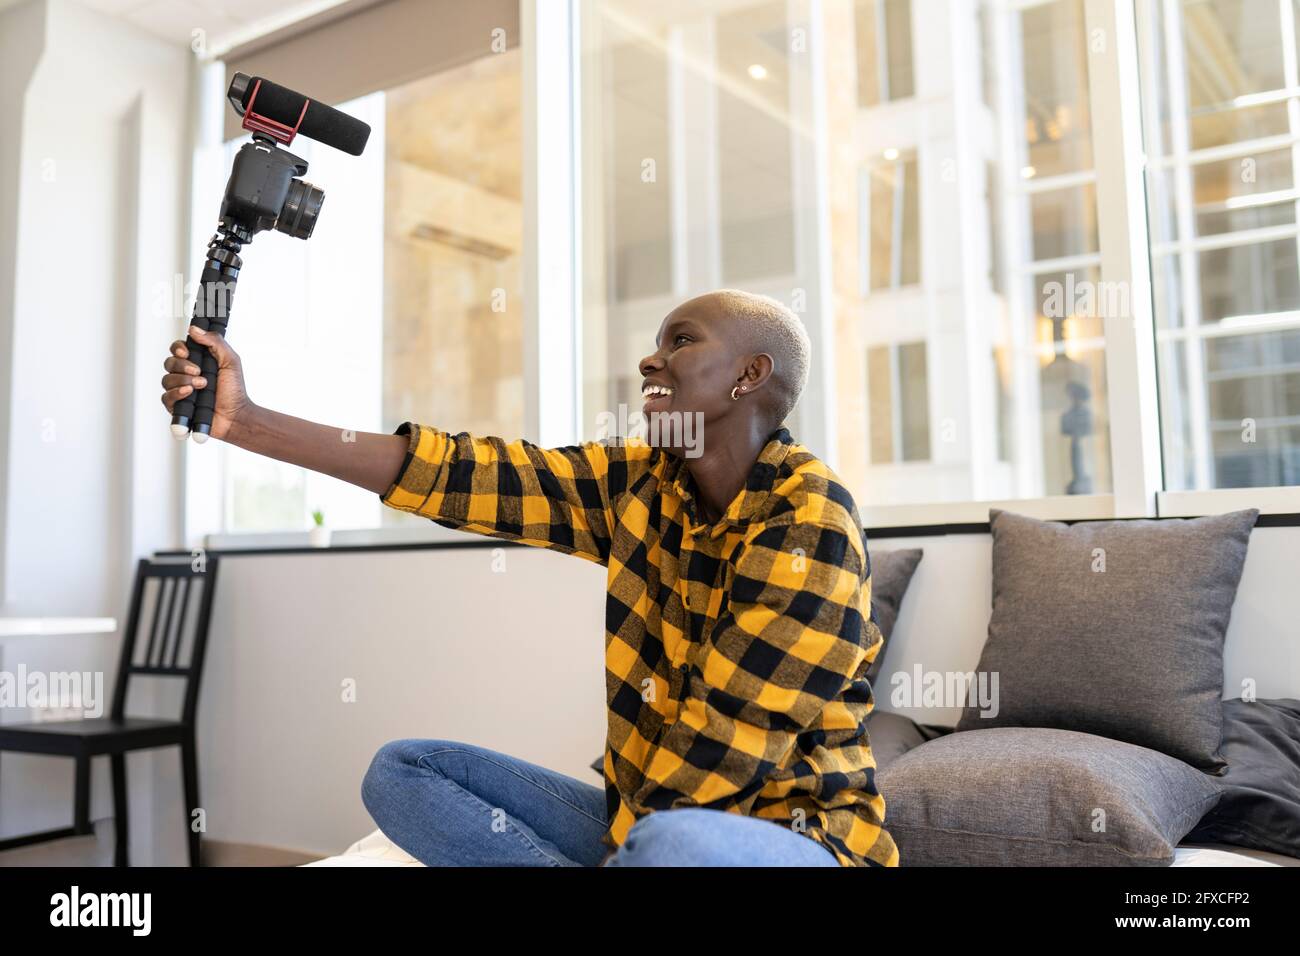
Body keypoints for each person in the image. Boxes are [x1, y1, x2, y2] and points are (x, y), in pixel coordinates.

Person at [159, 288, 898, 867]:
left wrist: (636, 846)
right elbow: (462, 473)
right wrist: (245, 421)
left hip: (790, 844)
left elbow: (729, 740)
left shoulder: (810, 517)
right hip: (639, 829)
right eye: (654, 344)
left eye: (680, 341)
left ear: (749, 374)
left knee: (675, 846)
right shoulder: (639, 484)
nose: (650, 360)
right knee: (404, 772)